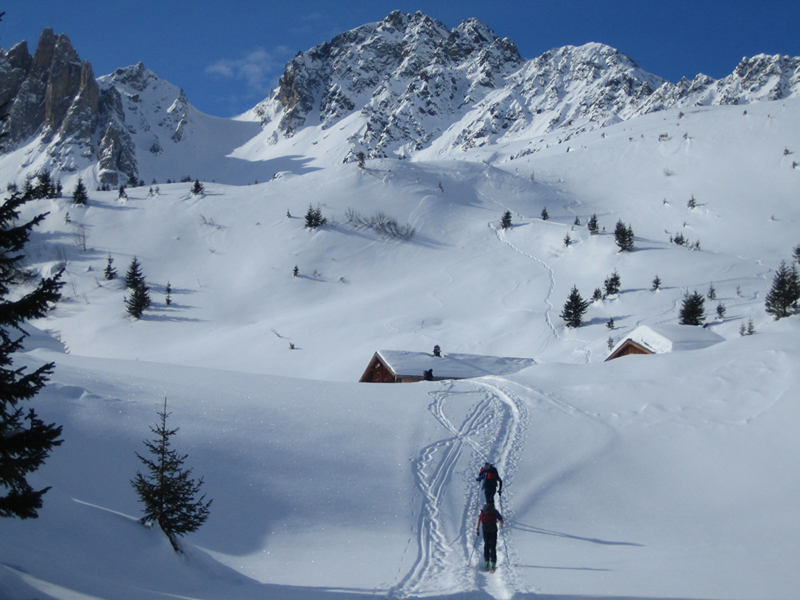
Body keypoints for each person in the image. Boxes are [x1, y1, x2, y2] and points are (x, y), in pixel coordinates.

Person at [476, 501, 504, 572]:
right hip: (493, 530)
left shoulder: (483, 512)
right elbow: (501, 520)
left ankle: (487, 562)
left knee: (486, 545)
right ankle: (493, 563)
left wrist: (477, 529)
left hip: (485, 530)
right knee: (493, 546)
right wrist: (500, 524)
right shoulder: (494, 511)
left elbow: (479, 519)